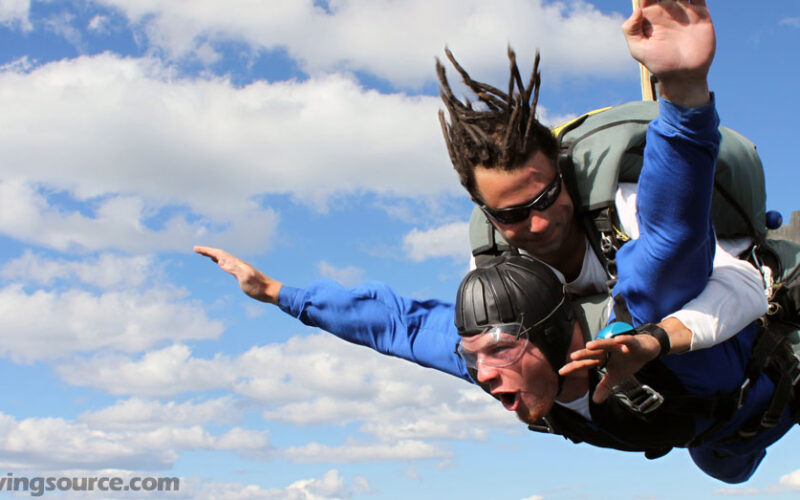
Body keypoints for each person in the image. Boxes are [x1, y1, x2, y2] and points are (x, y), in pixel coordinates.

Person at [195, 0, 795, 483]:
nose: (536, 224)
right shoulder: (500, 335)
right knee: (724, 466)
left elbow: (675, 233)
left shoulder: (634, 253)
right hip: (713, 436)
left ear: (564, 179)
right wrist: (278, 292)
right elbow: (397, 325)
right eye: (511, 215)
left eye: (545, 200)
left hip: (755, 370)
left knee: (657, 294)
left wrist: (684, 90)